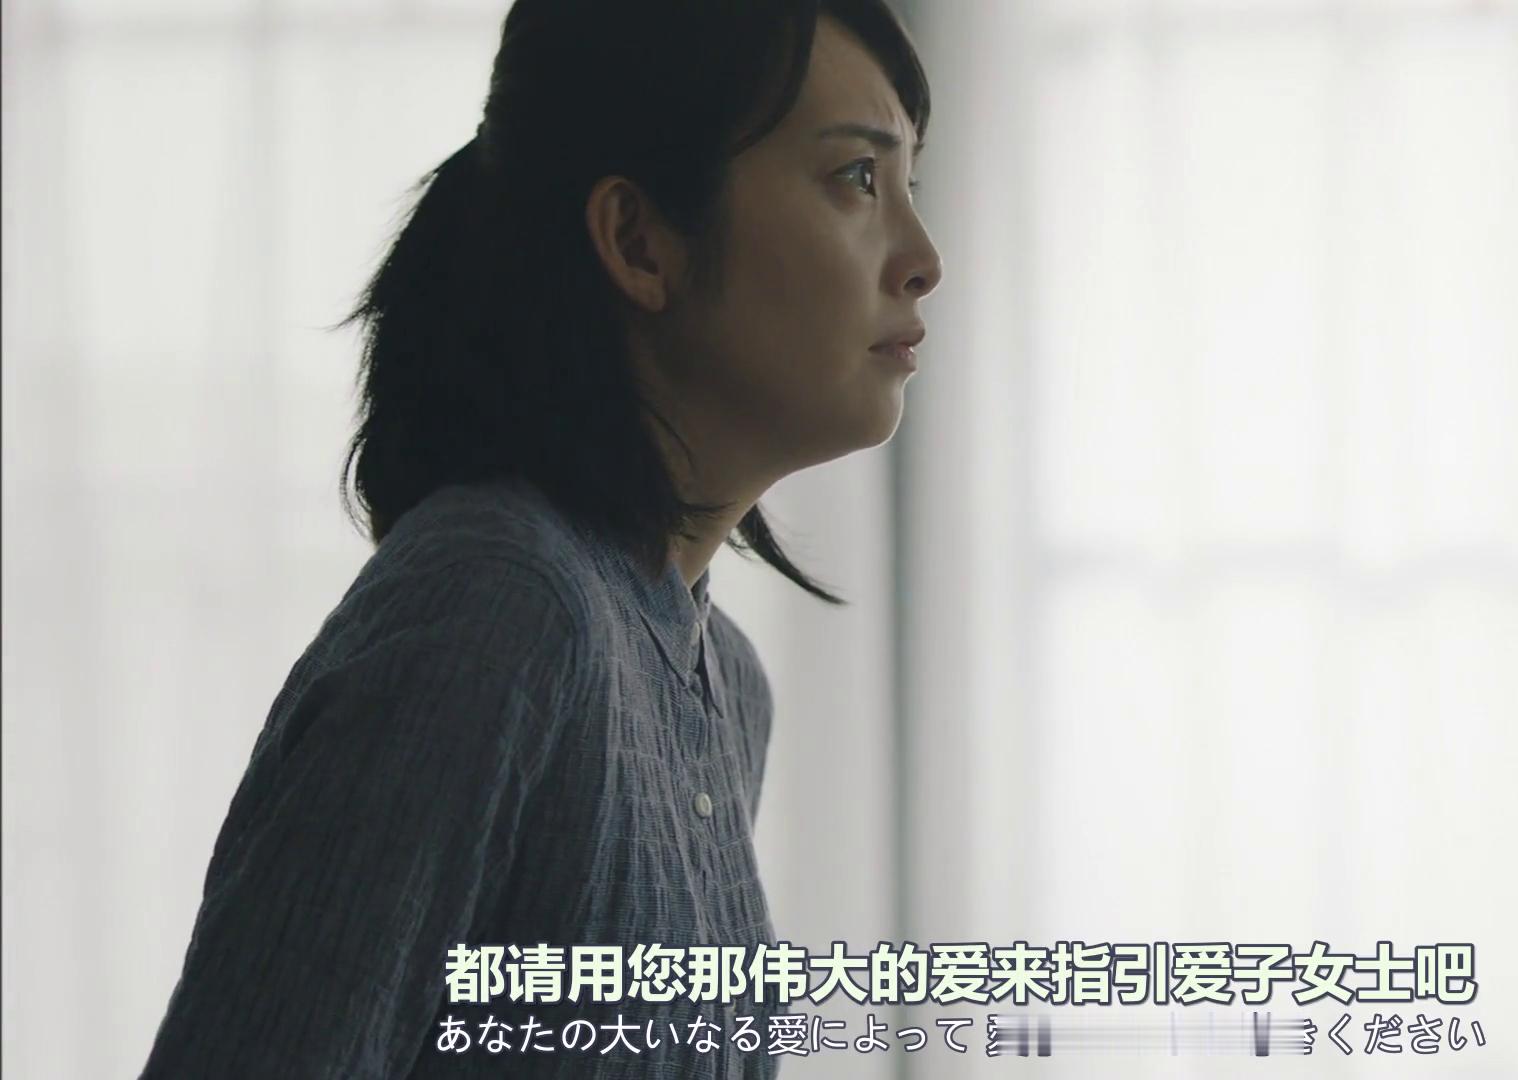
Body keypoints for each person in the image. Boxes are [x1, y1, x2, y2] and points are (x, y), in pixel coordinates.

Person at [139, 0, 941, 1075]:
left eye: (908, 184)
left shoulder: (722, 680)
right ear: (639, 240)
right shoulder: (498, 604)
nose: (923, 258)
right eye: (857, 178)